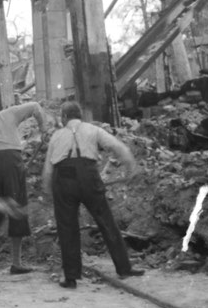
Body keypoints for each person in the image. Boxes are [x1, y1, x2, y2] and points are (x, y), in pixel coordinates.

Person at [42, 101, 145, 288]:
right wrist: (130, 164)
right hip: (88, 175)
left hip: (63, 178)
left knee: (67, 227)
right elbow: (117, 146)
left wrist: (48, 189)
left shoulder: (57, 136)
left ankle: (71, 277)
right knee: (106, 220)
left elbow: (48, 169)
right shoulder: (92, 129)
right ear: (80, 115)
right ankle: (124, 268)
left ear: (64, 118)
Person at [0, 99, 47, 277]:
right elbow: (35, 106)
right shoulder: (9, 113)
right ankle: (16, 263)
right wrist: (44, 129)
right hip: (11, 159)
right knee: (17, 206)